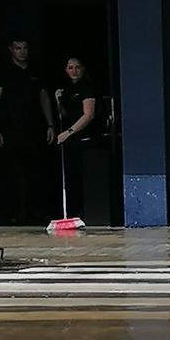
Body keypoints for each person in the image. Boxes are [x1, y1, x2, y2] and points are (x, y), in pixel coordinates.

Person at [0, 38, 54, 225]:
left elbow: (44, 97)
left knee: (35, 172)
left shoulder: (35, 71)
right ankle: (13, 213)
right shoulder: (2, 72)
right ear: (11, 49)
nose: (22, 52)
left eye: (25, 48)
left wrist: (50, 124)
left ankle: (35, 211)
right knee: (12, 174)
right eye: (18, 48)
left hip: (34, 129)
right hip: (10, 130)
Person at [52, 57, 103, 225]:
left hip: (85, 139)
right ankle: (73, 213)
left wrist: (68, 132)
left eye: (77, 67)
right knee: (72, 178)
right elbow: (64, 115)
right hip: (71, 142)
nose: (74, 71)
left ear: (83, 69)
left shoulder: (86, 88)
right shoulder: (67, 90)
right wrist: (58, 101)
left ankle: (88, 214)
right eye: (70, 67)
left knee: (86, 179)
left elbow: (88, 115)